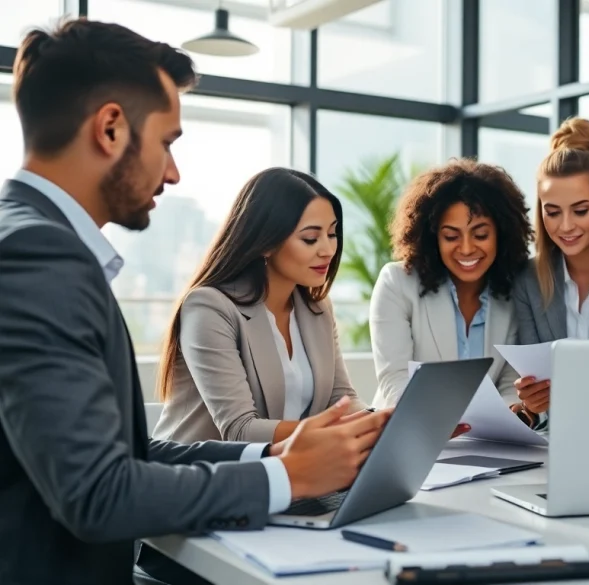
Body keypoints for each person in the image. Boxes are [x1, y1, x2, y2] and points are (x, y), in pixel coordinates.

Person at [0, 20, 390, 584]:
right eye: (167, 143)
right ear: (110, 129)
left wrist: (281, 457)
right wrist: (288, 478)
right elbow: (98, 494)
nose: (174, 172)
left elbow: (130, 456)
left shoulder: (35, 241)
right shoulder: (38, 256)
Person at [153, 168, 370, 445]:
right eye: (310, 239)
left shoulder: (316, 308)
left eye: (332, 234)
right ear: (266, 243)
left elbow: (341, 399)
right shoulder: (209, 308)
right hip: (201, 469)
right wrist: (335, 432)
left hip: (285, 466)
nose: (328, 250)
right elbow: (240, 429)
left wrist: (380, 419)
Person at [369, 159, 533, 408]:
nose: (466, 249)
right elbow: (396, 380)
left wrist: (509, 414)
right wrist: (445, 424)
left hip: (488, 431)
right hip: (410, 425)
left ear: (501, 234)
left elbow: (511, 383)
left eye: (480, 235)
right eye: (451, 236)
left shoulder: (515, 292)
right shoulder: (397, 283)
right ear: (432, 237)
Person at [510, 118, 589, 429]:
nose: (566, 226)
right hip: (560, 438)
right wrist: (533, 405)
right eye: (552, 212)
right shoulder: (528, 279)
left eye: (581, 210)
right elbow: (536, 395)